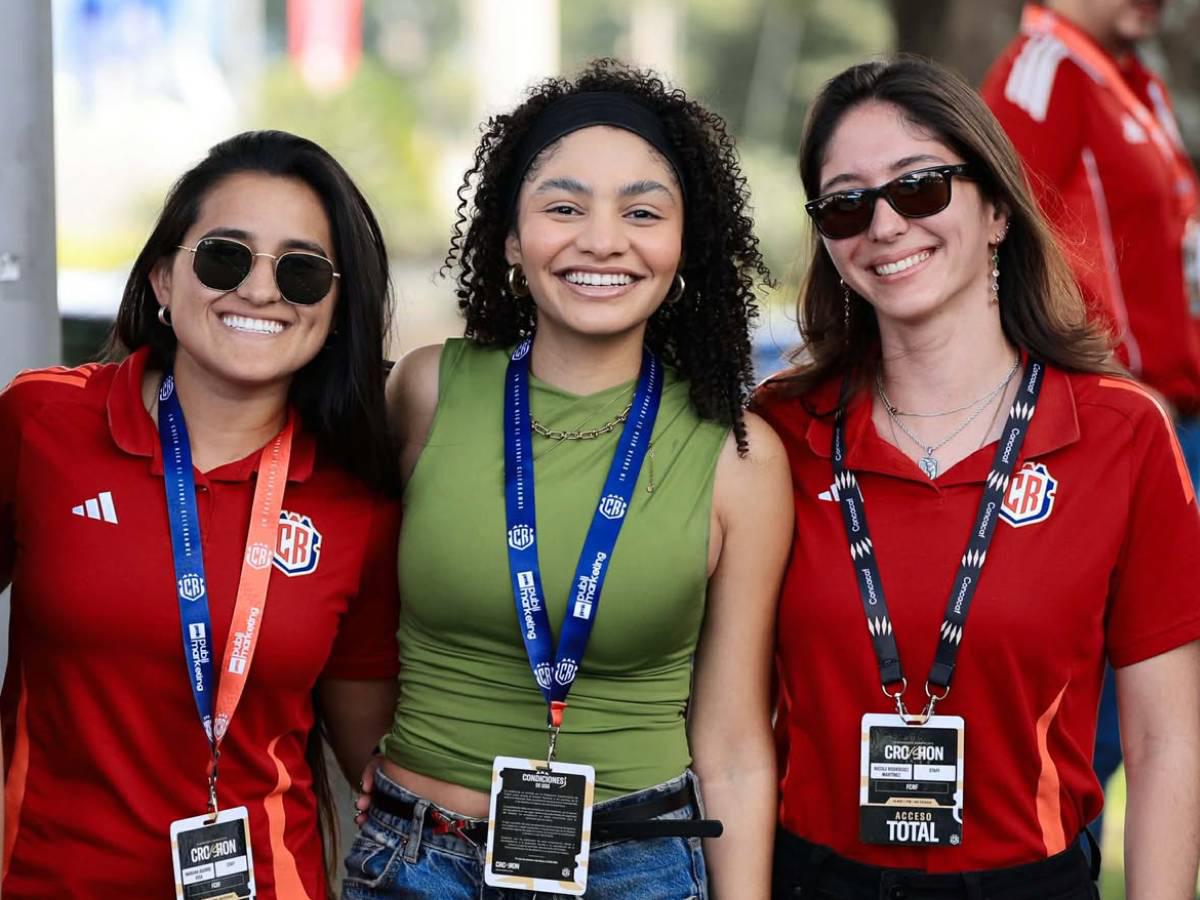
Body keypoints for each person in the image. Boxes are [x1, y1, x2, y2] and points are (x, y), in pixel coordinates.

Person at [345, 59, 792, 899]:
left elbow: (733, 742)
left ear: (683, 243)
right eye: (563, 206)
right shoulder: (428, 390)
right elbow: (352, 622)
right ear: (512, 238)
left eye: (642, 212)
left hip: (636, 868)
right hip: (415, 861)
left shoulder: (739, 457)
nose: (602, 239)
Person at [758, 56, 1200, 900]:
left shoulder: (1123, 431)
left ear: (996, 208)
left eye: (919, 187)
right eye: (846, 203)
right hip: (813, 879)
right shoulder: (777, 432)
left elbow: (1165, 744)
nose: (884, 225)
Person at [0, 130, 402, 898]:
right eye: (225, 256)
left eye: (301, 271)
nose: (259, 290)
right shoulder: (41, 422)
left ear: (336, 307)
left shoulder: (359, 498)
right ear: (161, 276)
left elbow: (373, 760)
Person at [981, 0, 1200, 851]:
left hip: (1170, 422)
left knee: (1158, 705)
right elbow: (998, 253)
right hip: (1103, 429)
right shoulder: (1042, 73)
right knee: (1099, 718)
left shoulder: (1132, 77)